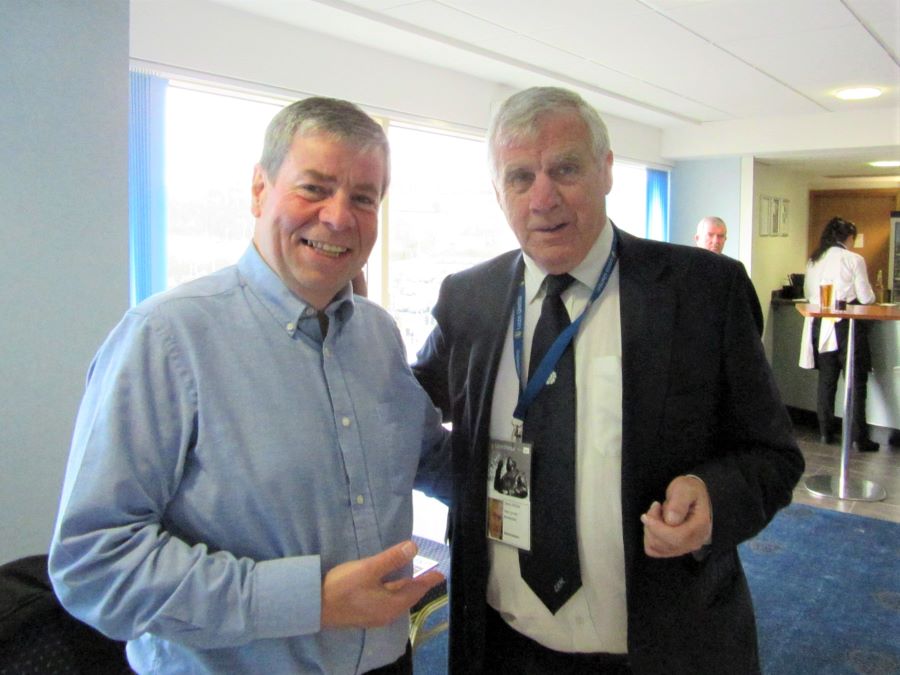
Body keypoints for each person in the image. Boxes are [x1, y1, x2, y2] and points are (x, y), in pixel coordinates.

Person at [49, 97, 450, 674]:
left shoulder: (378, 334)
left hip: (388, 661)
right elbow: (94, 564)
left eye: (363, 197)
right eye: (314, 188)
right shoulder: (164, 339)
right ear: (259, 190)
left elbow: (428, 456)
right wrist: (307, 600)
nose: (339, 217)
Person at [413, 87, 803, 674]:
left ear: (607, 170)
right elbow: (401, 410)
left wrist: (712, 495)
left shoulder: (705, 292)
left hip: (660, 649)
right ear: (498, 193)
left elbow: (773, 454)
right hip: (502, 646)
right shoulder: (468, 299)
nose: (542, 198)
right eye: (519, 177)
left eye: (565, 168)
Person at [799, 216, 878, 451]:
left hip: (820, 323)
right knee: (855, 381)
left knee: (826, 380)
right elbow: (866, 298)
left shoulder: (814, 260)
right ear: (849, 238)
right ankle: (857, 437)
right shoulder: (854, 259)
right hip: (847, 324)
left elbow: (808, 292)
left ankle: (825, 432)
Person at [695, 216, 764, 334]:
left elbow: (752, 312)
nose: (715, 241)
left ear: (725, 239)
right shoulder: (684, 268)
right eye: (710, 235)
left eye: (720, 236)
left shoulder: (734, 270)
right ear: (697, 238)